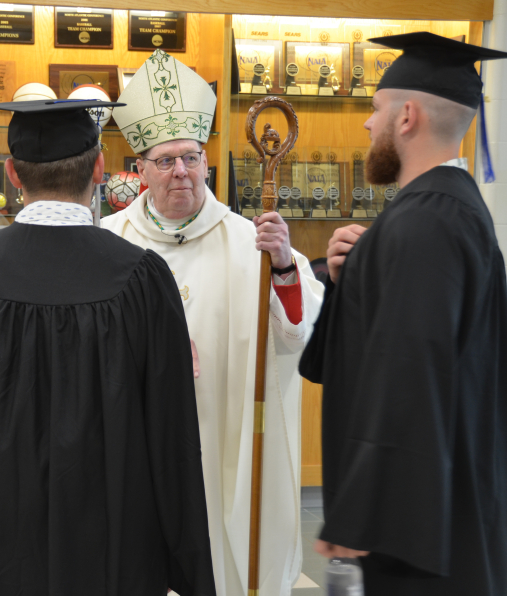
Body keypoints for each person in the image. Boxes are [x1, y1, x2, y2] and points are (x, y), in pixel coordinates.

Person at [0, 99, 216, 596]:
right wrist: (182, 562)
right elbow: (172, 435)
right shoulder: (144, 278)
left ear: (13, 174)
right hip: (116, 545)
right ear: (101, 168)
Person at [298, 33, 507, 596]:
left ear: (408, 117)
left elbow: (412, 366)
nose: (367, 125)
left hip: (421, 529)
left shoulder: (430, 222)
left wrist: (363, 509)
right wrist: (355, 279)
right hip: (432, 508)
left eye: (375, 110)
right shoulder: (436, 212)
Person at [103, 49, 325, 596]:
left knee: (222, 551)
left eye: (193, 157)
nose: (182, 170)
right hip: (139, 432)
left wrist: (280, 267)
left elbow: (297, 332)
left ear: (207, 163)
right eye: (166, 159)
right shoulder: (110, 241)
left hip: (223, 429)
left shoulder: (250, 239)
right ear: (141, 169)